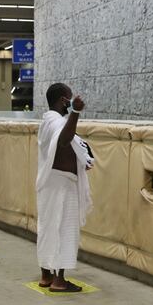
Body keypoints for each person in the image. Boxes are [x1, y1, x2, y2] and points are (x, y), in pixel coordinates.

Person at [36, 83, 95, 293]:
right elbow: (63, 141)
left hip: (51, 183)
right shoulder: (55, 122)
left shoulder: (49, 121)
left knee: (48, 228)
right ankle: (59, 281)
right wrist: (76, 112)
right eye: (69, 99)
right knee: (63, 230)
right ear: (64, 100)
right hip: (61, 185)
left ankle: (45, 275)